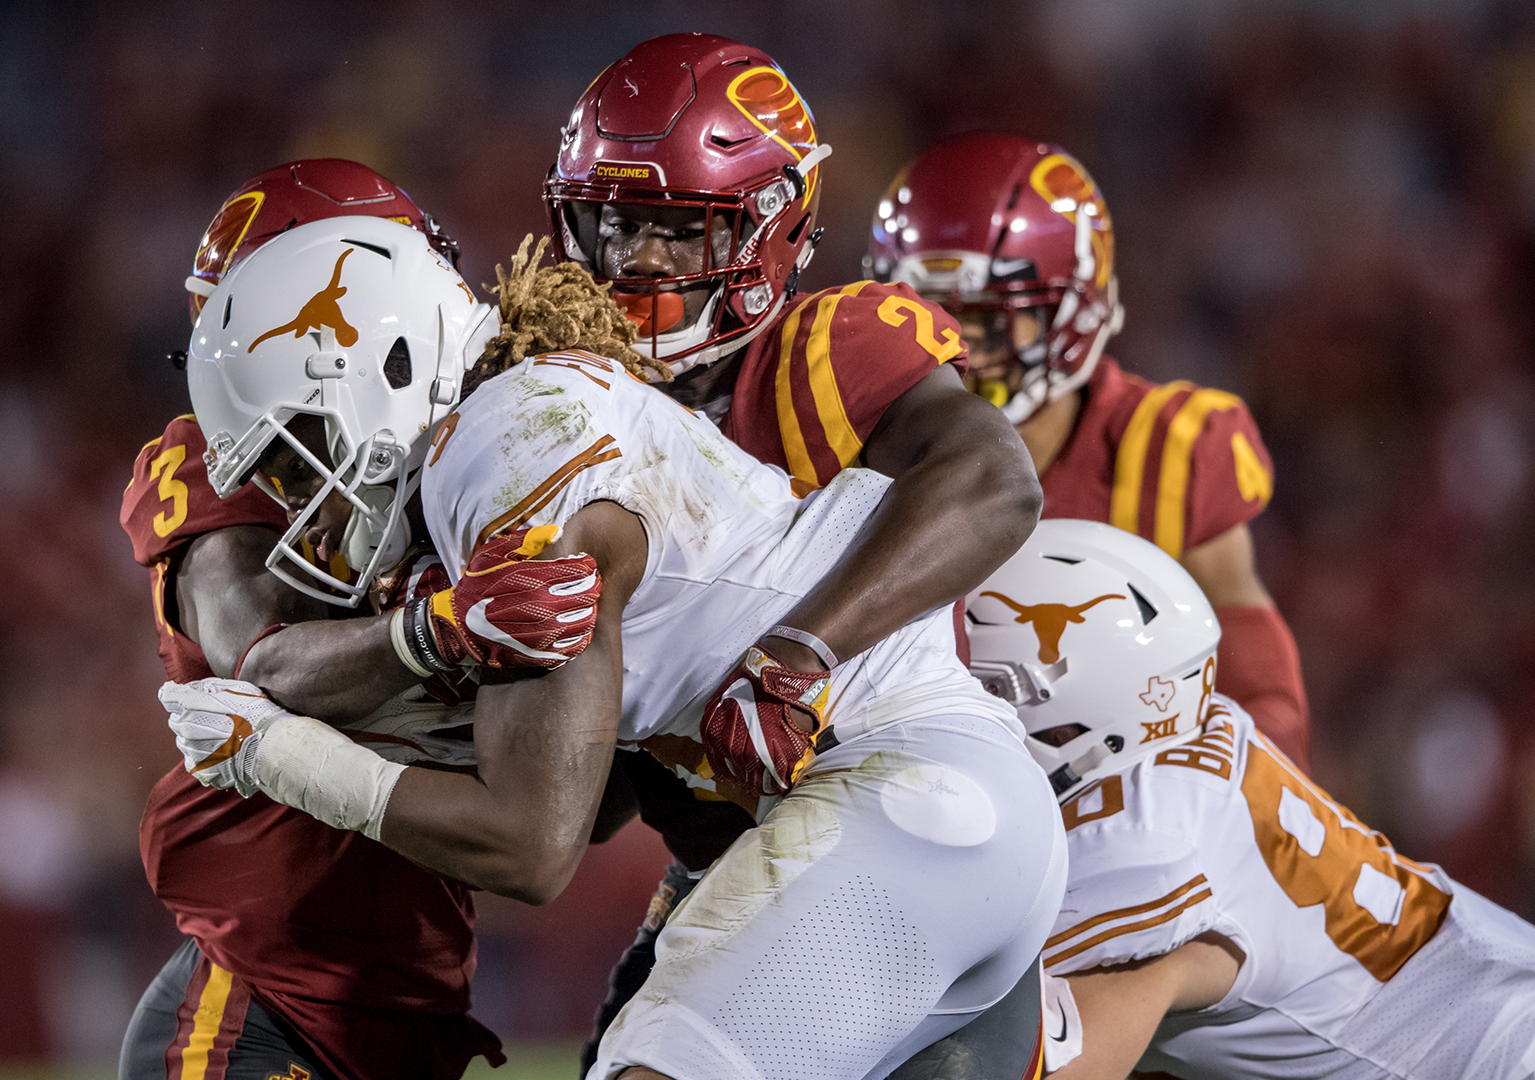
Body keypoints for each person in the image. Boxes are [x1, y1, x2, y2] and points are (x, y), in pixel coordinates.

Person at [158, 221, 1067, 1080]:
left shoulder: (504, 447)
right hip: (932, 827)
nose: (297, 495)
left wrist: (282, 759)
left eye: (297, 449)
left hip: (899, 800)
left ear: (376, 372)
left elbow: (530, 845)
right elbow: (589, 801)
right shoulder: (521, 422)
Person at [543, 37, 1051, 1075]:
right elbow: (591, 804)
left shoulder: (826, 351)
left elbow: (996, 480)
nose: (638, 259)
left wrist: (799, 652)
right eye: (617, 222)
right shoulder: (564, 413)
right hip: (731, 871)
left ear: (771, 230)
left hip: (901, 833)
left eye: (681, 232)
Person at [964, 519, 1535, 1080]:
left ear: (1075, 695)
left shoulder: (1137, 839)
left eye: (989, 690)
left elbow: (1030, 1051)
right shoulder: (1200, 740)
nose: (966, 712)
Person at [117, 160, 504, 1080]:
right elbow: (261, 656)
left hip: (410, 1008)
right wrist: (437, 629)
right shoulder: (218, 472)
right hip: (263, 999)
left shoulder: (482, 455)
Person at [868, 133, 1312, 772]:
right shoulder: (850, 436)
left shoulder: (1166, 448)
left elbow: (1261, 700)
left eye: (987, 316)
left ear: (1071, 313)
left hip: (1133, 798)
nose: (954, 347)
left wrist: (1228, 792)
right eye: (928, 313)